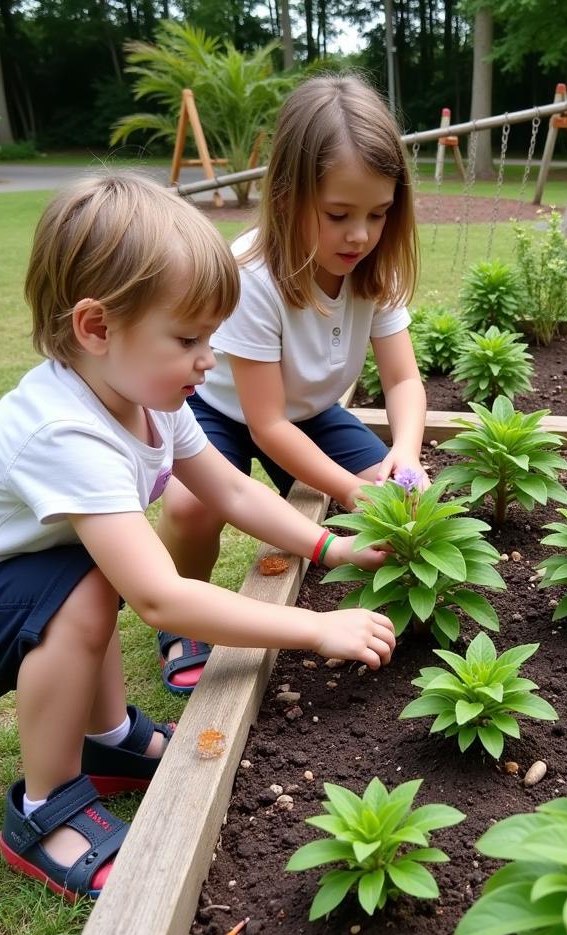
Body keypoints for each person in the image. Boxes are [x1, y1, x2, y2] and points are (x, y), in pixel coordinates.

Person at [0, 172, 396, 901]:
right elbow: (159, 598)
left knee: (85, 579)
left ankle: (103, 739)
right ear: (96, 329)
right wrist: (314, 627)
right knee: (83, 594)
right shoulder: (65, 431)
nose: (209, 359)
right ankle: (44, 809)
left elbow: (226, 486)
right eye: (189, 338)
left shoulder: (149, 396)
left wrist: (332, 549)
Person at [157, 73, 428, 695]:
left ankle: (383, 608)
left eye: (378, 214)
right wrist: (349, 490)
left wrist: (404, 455)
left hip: (309, 410)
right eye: (338, 215)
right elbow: (265, 424)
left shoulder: (373, 271)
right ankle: (185, 617)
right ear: (286, 196)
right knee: (191, 505)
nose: (359, 234)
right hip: (222, 412)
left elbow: (404, 378)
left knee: (400, 502)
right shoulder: (254, 273)